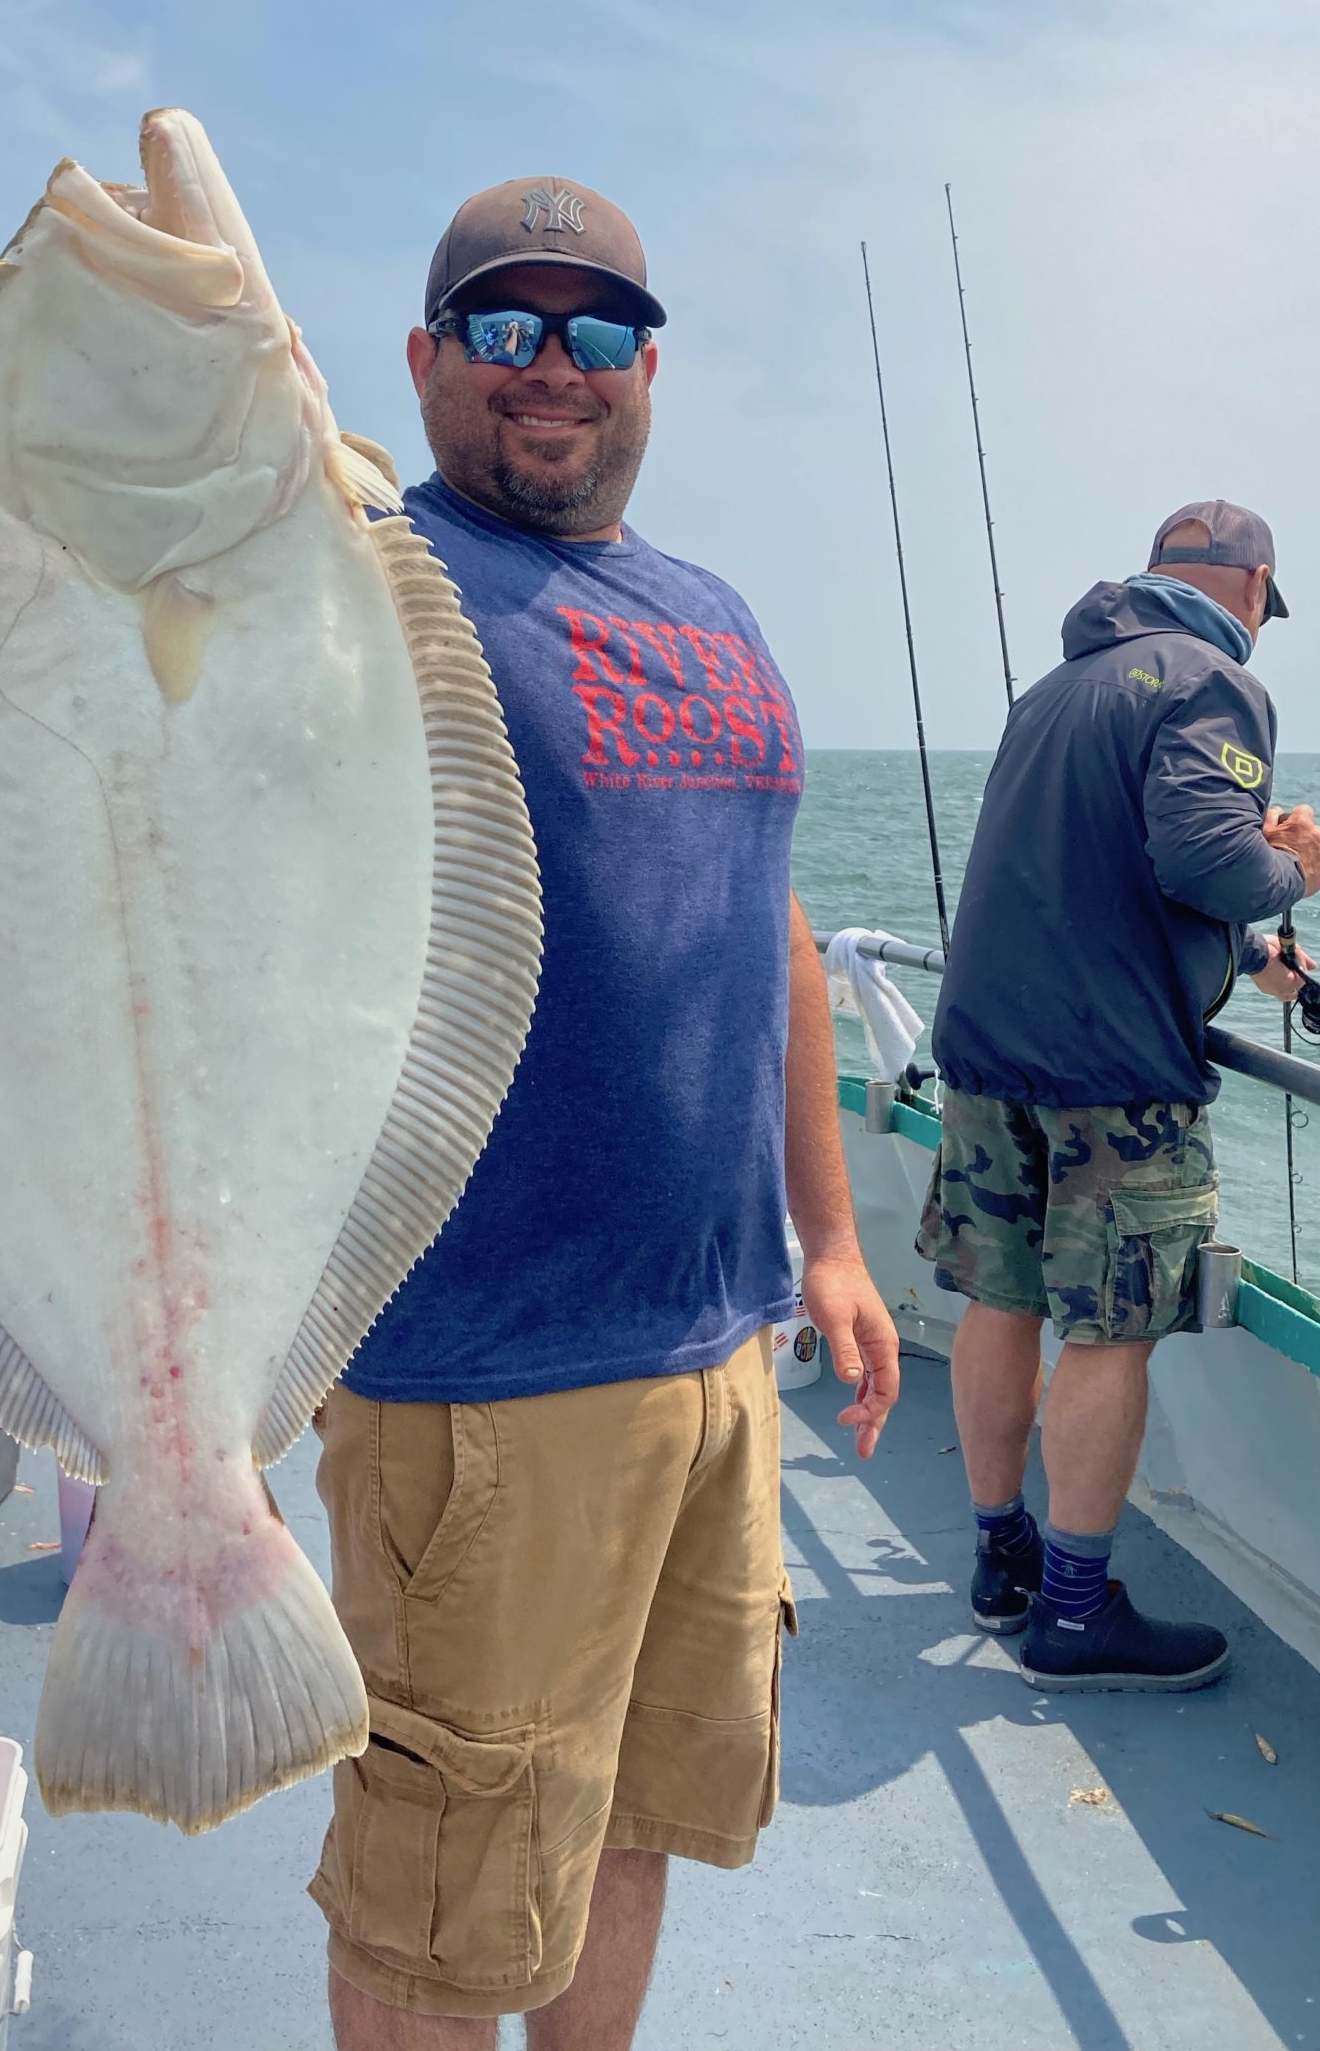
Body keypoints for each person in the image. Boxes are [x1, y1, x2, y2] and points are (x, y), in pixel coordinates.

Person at [308, 176, 902, 2048]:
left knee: (632, 1826)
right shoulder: (364, 589)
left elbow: (777, 934)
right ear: (423, 362)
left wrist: (829, 1236)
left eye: (596, 332)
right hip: (480, 1381)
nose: (550, 370)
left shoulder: (711, 612)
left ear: (653, 369)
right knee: (440, 1899)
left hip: (715, 1357)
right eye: (502, 328)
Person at [917, 501, 1320, 1693]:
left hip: (990, 1050)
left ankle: (1003, 1560)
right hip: (1111, 1075)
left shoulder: (1058, 690)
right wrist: (1294, 870)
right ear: (1255, 583)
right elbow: (1207, 859)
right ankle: (1075, 1610)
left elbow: (1102, 864)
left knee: (1000, 1302)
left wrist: (1256, 957)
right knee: (1110, 1330)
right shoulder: (1214, 681)